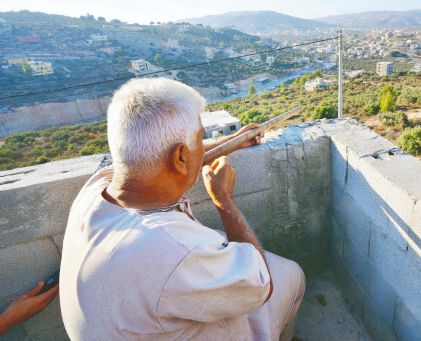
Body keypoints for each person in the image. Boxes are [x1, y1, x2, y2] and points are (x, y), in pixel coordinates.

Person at [60, 78, 305, 340]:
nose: (204, 145)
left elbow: (156, 159)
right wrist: (223, 199)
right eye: (201, 138)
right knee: (290, 275)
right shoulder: (173, 249)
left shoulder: (95, 189)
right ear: (180, 157)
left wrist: (234, 140)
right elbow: (260, 285)